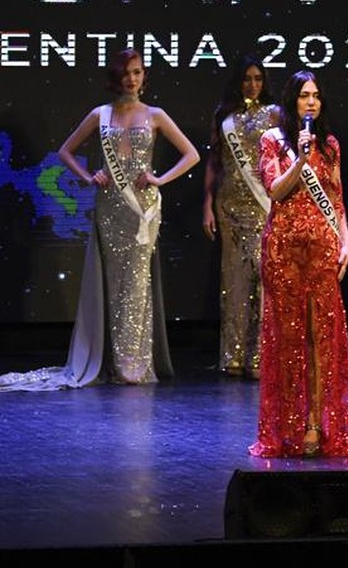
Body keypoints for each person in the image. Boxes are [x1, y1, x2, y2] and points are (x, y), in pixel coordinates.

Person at [0, 48, 200, 391]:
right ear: (115, 77)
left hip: (143, 210)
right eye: (125, 72)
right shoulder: (100, 114)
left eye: (137, 72)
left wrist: (160, 179)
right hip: (110, 207)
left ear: (144, 76)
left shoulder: (155, 115)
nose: (131, 79)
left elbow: (192, 154)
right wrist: (88, 175)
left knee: (137, 283)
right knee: (110, 282)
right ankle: (113, 360)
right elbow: (65, 151)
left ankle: (133, 365)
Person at [248, 70, 348, 458]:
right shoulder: (272, 141)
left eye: (316, 96)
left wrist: (347, 240)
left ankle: (317, 424)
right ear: (292, 101)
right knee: (287, 339)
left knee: (321, 339)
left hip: (322, 250)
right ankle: (288, 425)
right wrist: (300, 159)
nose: (311, 102)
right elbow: (276, 190)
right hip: (284, 251)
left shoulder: (331, 145)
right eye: (304, 95)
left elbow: (336, 200)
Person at [202, 54, 280, 378]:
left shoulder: (275, 114)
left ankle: (259, 357)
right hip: (229, 206)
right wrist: (207, 203)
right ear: (238, 81)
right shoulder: (225, 116)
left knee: (263, 282)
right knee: (232, 283)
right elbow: (214, 162)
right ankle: (233, 357)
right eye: (247, 78)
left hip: (263, 205)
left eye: (258, 78)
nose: (253, 84)